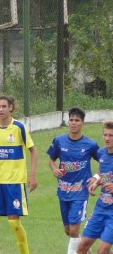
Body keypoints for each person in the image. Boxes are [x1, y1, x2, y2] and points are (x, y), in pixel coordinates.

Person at [0, 95, 38, 254]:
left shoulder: (19, 127)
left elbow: (33, 151)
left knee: (13, 222)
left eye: (4, 106)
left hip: (15, 181)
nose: (0, 109)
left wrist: (32, 175)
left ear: (11, 108)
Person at [46, 107, 99, 254]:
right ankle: (85, 251)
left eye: (77, 120)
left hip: (80, 193)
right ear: (68, 122)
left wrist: (95, 179)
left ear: (83, 123)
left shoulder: (91, 145)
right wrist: (54, 168)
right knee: (68, 230)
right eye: (71, 120)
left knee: (75, 231)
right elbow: (51, 160)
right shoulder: (59, 141)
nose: (74, 123)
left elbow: (105, 161)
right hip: (63, 192)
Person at [77, 121, 113, 254]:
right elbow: (102, 171)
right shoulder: (101, 153)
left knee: (102, 250)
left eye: (111, 135)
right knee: (82, 247)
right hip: (100, 209)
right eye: (105, 135)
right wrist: (95, 181)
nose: (107, 138)